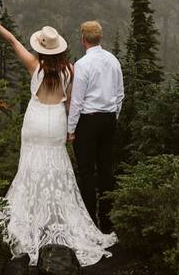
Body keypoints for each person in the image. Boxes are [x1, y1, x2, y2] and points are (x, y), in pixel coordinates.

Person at [0, 14, 117, 267]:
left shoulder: (35, 66)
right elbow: (71, 102)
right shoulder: (70, 70)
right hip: (56, 119)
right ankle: (56, 216)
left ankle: (32, 215)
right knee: (56, 165)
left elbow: (12, 40)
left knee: (30, 165)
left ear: (42, 47)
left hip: (35, 120)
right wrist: (71, 129)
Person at [67, 20, 124, 233]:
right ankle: (108, 221)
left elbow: (77, 100)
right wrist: (114, 115)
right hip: (109, 119)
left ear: (83, 40)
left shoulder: (82, 65)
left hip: (88, 121)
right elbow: (120, 94)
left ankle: (90, 221)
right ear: (100, 38)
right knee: (106, 170)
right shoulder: (113, 60)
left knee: (87, 172)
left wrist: (71, 129)